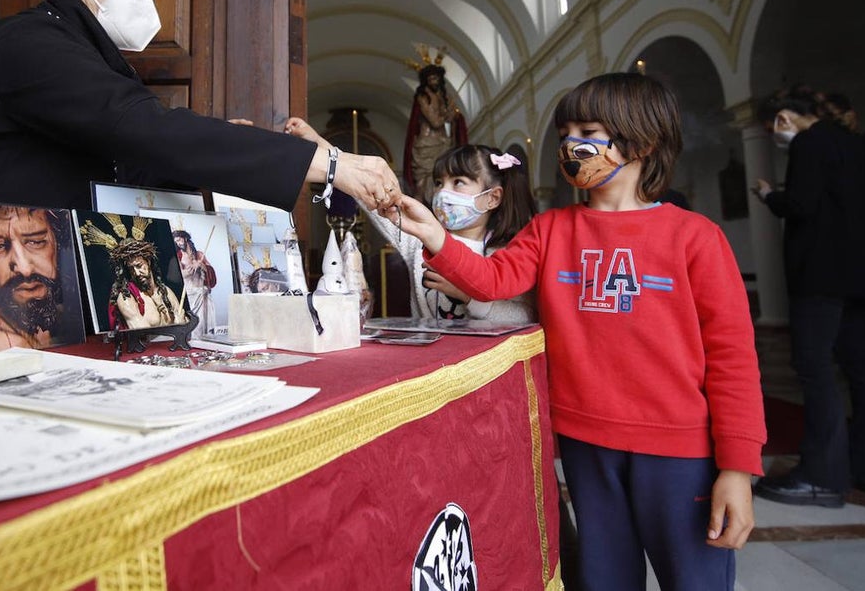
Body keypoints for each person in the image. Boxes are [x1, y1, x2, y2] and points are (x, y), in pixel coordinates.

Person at [0, 0, 400, 335]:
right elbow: (143, 129)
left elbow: (124, 166)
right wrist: (330, 164)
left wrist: (217, 149)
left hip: (44, 306)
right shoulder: (32, 44)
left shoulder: (85, 56)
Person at [386, 72, 766, 590]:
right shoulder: (551, 230)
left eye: (588, 130)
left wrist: (738, 469)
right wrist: (434, 233)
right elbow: (492, 281)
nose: (570, 145)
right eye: (566, 132)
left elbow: (733, 357)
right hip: (588, 443)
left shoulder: (694, 237)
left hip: (679, 450)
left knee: (694, 578)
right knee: (603, 578)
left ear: (643, 142)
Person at [751, 86, 865, 503]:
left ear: (784, 118)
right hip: (861, 277)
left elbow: (802, 205)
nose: (775, 134)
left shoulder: (810, 144)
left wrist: (769, 195)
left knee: (814, 369)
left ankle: (822, 475)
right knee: (863, 371)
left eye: (773, 125)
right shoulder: (854, 144)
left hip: (820, 276)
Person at [286, 117, 536, 323]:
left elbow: (525, 315)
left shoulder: (507, 253)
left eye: (458, 182)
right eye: (439, 183)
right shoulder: (420, 240)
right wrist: (322, 148)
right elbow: (372, 193)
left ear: (492, 198)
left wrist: (468, 297)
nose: (442, 193)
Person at [0, 202, 81, 350]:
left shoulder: (61, 318)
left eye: (36, 242)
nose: (24, 269)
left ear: (57, 242)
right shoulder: (0, 341)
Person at [402, 48, 467, 203]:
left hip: (443, 143)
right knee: (423, 182)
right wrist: (446, 114)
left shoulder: (445, 97)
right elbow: (435, 121)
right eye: (431, 79)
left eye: (436, 78)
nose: (434, 82)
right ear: (426, 80)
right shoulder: (423, 97)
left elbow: (450, 118)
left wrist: (454, 115)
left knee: (444, 179)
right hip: (426, 144)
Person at [108, 234, 184, 331]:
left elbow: (184, 323)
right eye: (131, 269)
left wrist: (181, 324)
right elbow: (142, 335)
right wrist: (176, 327)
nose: (136, 273)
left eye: (139, 266)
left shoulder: (166, 292)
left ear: (148, 261)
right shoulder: (127, 297)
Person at [173, 229, 217, 336]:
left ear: (185, 238)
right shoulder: (178, 257)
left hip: (203, 293)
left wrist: (200, 265)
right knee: (194, 327)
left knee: (205, 323)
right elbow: (175, 277)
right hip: (190, 295)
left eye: (179, 240)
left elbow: (211, 272)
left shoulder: (199, 255)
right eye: (176, 242)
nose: (178, 243)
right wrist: (189, 271)